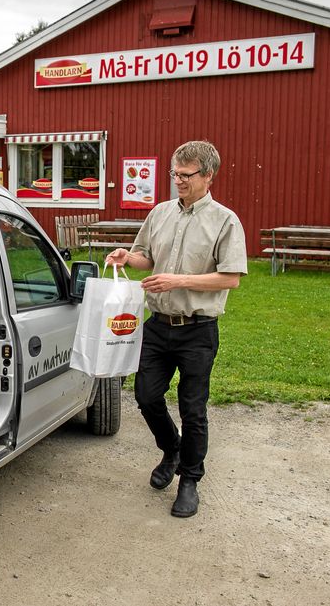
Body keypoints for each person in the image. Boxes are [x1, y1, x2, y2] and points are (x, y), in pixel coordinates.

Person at [105, 140, 247, 518]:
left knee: (193, 408)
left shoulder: (225, 221)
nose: (178, 182)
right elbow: (146, 258)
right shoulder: (160, 213)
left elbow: (230, 278)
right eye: (175, 174)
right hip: (158, 326)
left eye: (186, 175)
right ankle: (172, 449)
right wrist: (127, 257)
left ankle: (189, 479)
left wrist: (177, 281)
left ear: (208, 175)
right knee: (146, 396)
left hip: (198, 330)